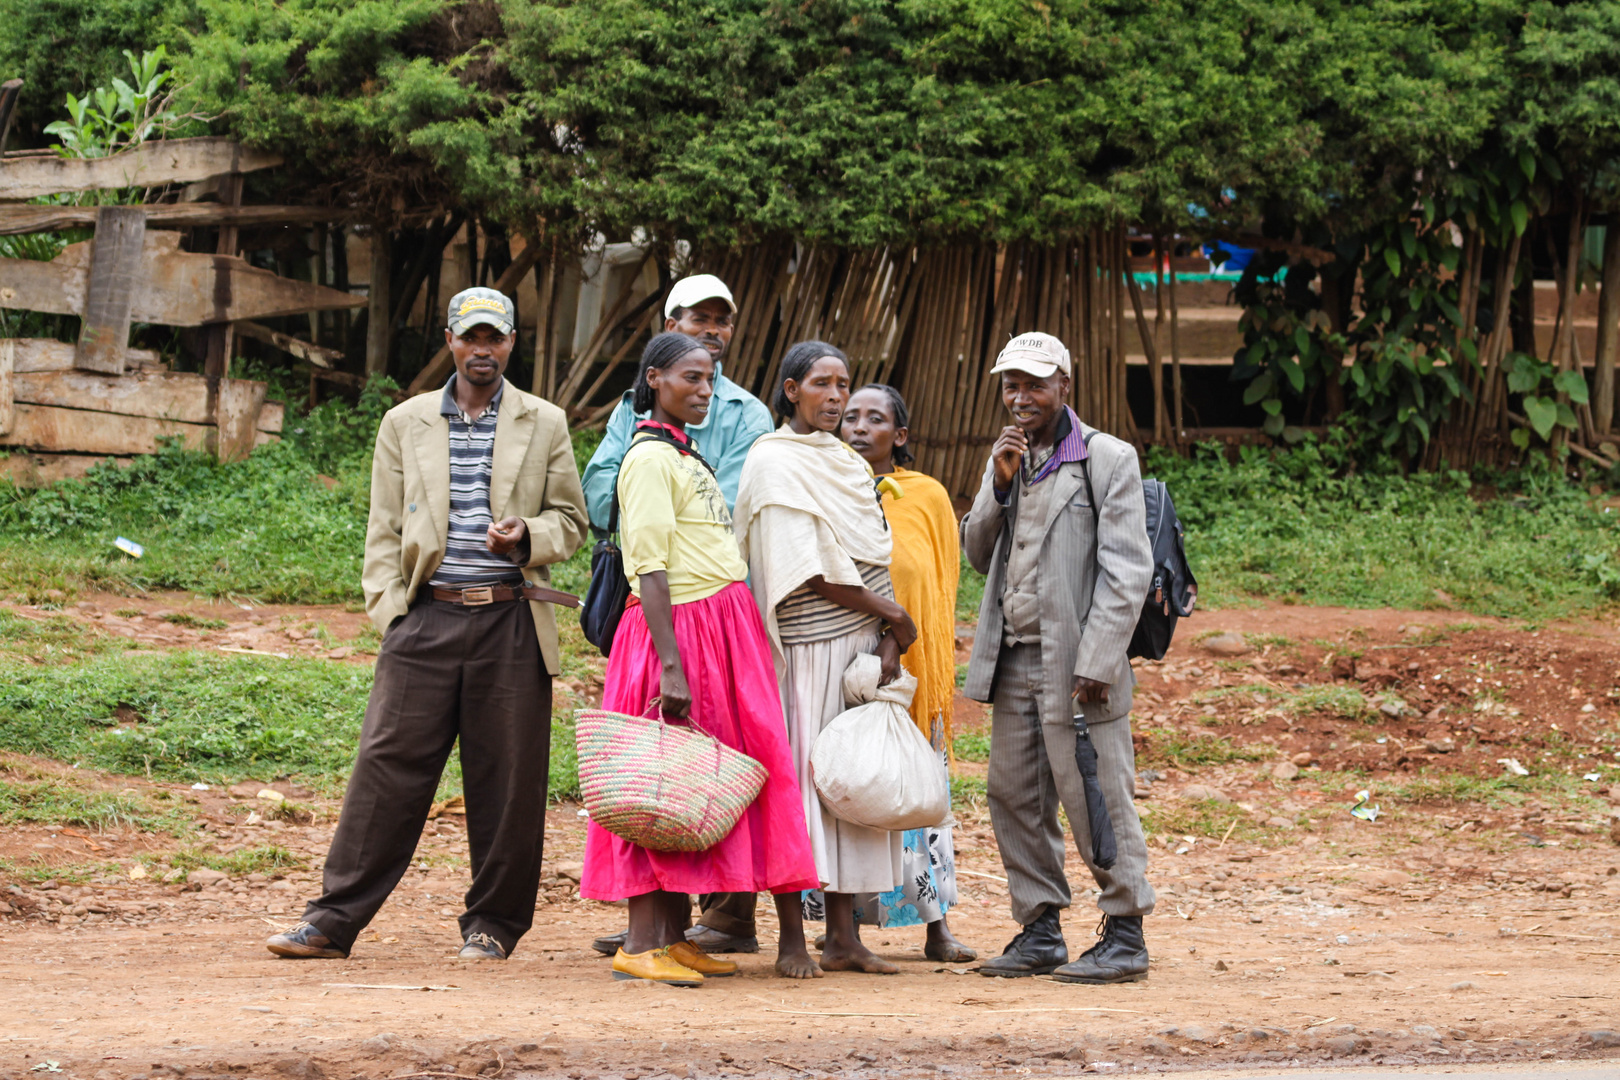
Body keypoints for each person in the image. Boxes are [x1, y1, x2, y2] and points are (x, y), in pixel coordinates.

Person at [266, 287, 589, 963]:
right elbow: (383, 527)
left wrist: (526, 534)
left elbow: (571, 521)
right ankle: (332, 920)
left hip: (511, 623)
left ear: (510, 344)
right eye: (470, 338)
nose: (482, 350)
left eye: (494, 339)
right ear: (449, 340)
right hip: (426, 621)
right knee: (385, 772)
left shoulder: (545, 421)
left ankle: (493, 926)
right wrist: (391, 614)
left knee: (509, 782)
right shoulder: (406, 421)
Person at [579, 332, 822, 984]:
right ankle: (640, 942)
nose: (704, 391)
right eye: (691, 378)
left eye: (711, 380)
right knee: (654, 783)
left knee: (692, 784)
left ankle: (671, 933)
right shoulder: (648, 459)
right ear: (654, 378)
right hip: (679, 632)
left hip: (717, 629)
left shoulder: (681, 451)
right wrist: (671, 664)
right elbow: (649, 567)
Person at [958, 332, 1157, 984]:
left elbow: (1127, 569)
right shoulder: (1010, 460)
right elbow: (979, 553)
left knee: (1095, 794)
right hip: (1015, 658)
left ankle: (1124, 933)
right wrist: (998, 483)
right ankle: (1039, 927)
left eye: (1034, 385)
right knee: (1013, 794)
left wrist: (1099, 660)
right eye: (1011, 385)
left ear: (1064, 387)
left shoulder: (1106, 458)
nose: (1020, 398)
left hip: (1077, 667)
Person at [733, 341, 916, 975]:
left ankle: (844, 935)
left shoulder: (845, 461)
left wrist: (891, 633)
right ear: (791, 391)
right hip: (805, 647)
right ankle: (790, 934)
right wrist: (891, 613)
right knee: (802, 788)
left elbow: (872, 554)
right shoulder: (773, 461)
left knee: (853, 786)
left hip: (861, 646)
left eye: (843, 384)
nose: (837, 397)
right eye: (822, 384)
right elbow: (801, 570)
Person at [839, 385, 976, 963]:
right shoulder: (828, 490)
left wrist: (915, 645)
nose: (859, 427)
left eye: (876, 419)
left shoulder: (926, 496)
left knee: (921, 793)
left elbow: (941, 583)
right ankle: (844, 929)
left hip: (915, 671)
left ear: (899, 436)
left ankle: (935, 926)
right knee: (851, 784)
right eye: (850, 417)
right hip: (845, 668)